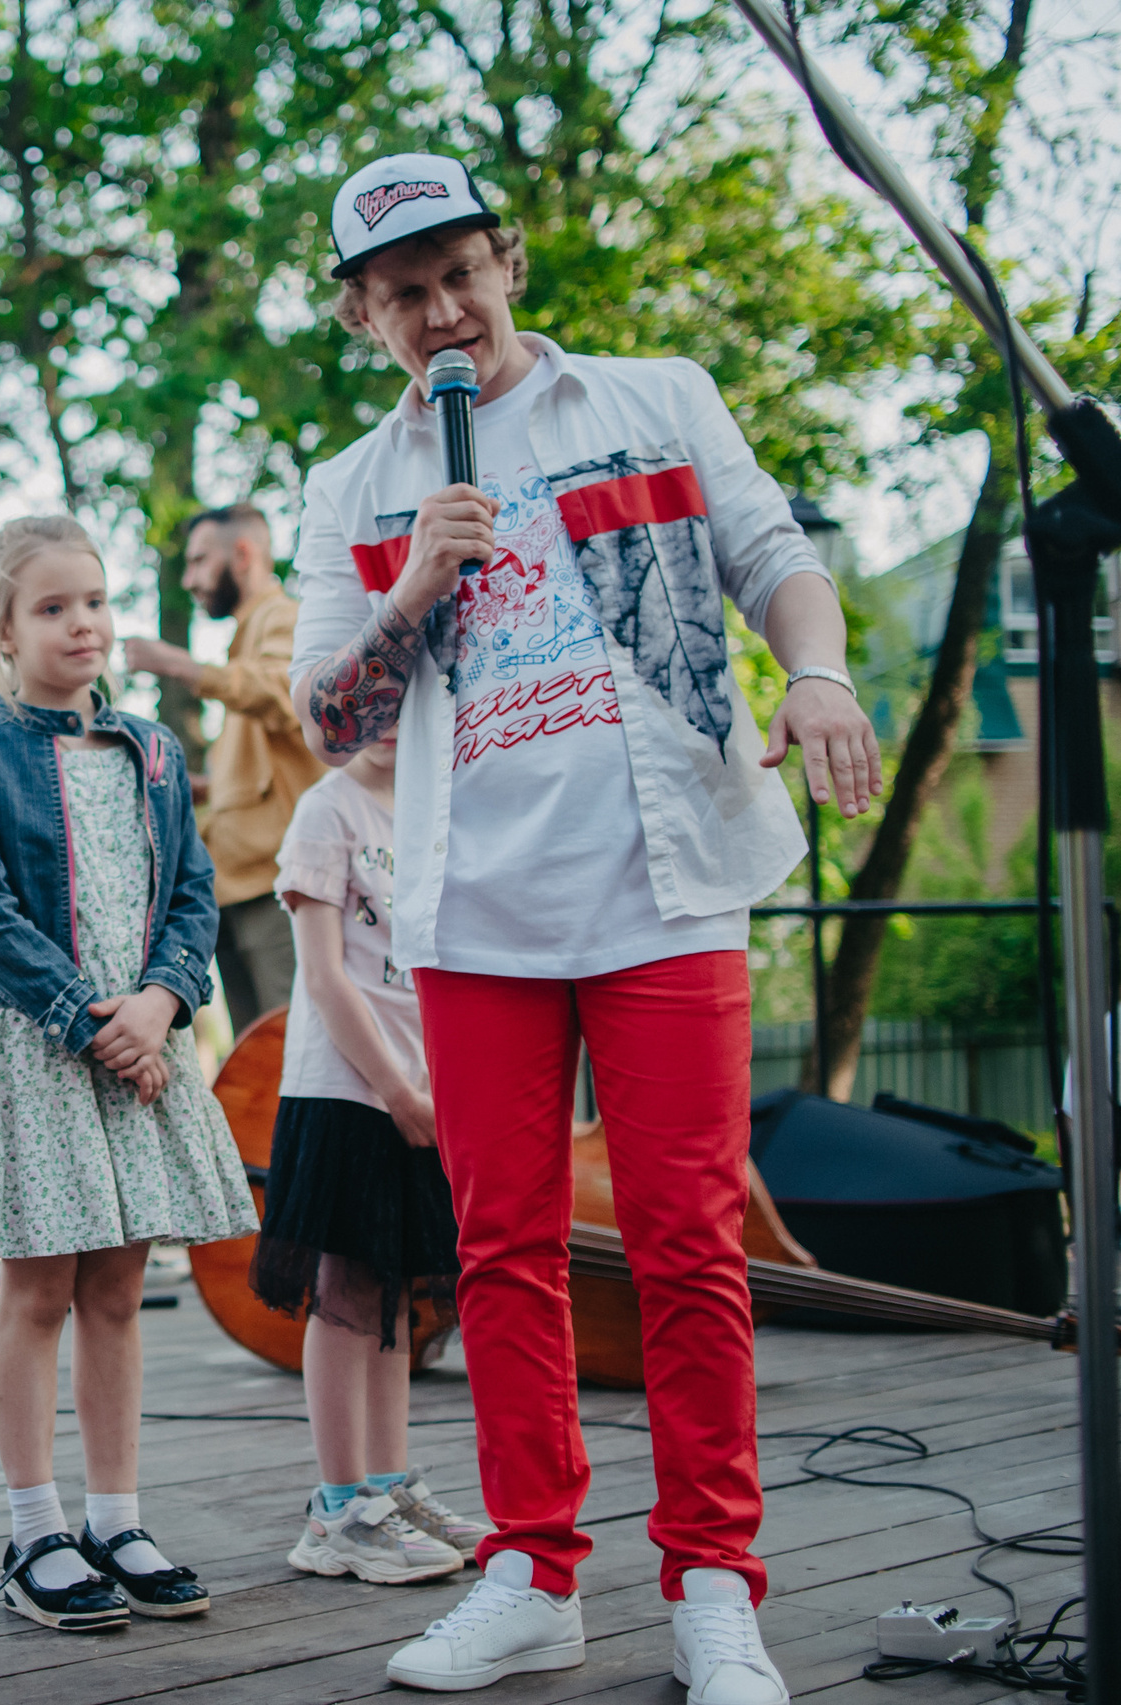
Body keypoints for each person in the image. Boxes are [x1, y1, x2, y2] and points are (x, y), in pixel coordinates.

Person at [287, 153, 881, 1703]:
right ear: (364, 318)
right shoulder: (348, 488)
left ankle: (712, 1586)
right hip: (474, 913)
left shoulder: (653, 397)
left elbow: (773, 559)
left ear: (510, 263)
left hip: (663, 885)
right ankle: (533, 1570)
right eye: (402, 292)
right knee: (501, 1250)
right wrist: (414, 579)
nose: (441, 310)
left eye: (459, 272)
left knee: (689, 1242)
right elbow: (325, 711)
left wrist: (815, 672)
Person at [0, 515, 258, 1633]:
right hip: (42, 1049)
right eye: (54, 607)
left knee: (120, 1292)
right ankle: (34, 1529)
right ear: (3, 630)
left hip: (144, 1051)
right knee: (39, 1292)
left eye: (98, 602)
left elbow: (193, 897)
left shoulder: (155, 751)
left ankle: (114, 1516)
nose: (85, 624)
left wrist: (161, 1004)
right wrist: (85, 1018)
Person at [249, 735, 479, 1586]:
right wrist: (395, 1085)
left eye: (404, 700)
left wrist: (435, 1084)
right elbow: (324, 977)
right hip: (348, 1090)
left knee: (391, 1299)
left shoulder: (430, 808)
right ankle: (338, 1507)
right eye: (367, 700)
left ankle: (390, 1485)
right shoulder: (328, 809)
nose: (389, 719)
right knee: (345, 1296)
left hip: (418, 1089)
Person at [120, 503, 324, 1036]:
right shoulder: (241, 640)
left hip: (277, 891)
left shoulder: (284, 617)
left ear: (243, 554)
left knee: (290, 1052)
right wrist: (195, 787)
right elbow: (261, 772)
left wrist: (176, 664)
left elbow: (288, 696)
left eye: (199, 561)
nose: (189, 580)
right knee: (255, 1061)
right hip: (234, 892)